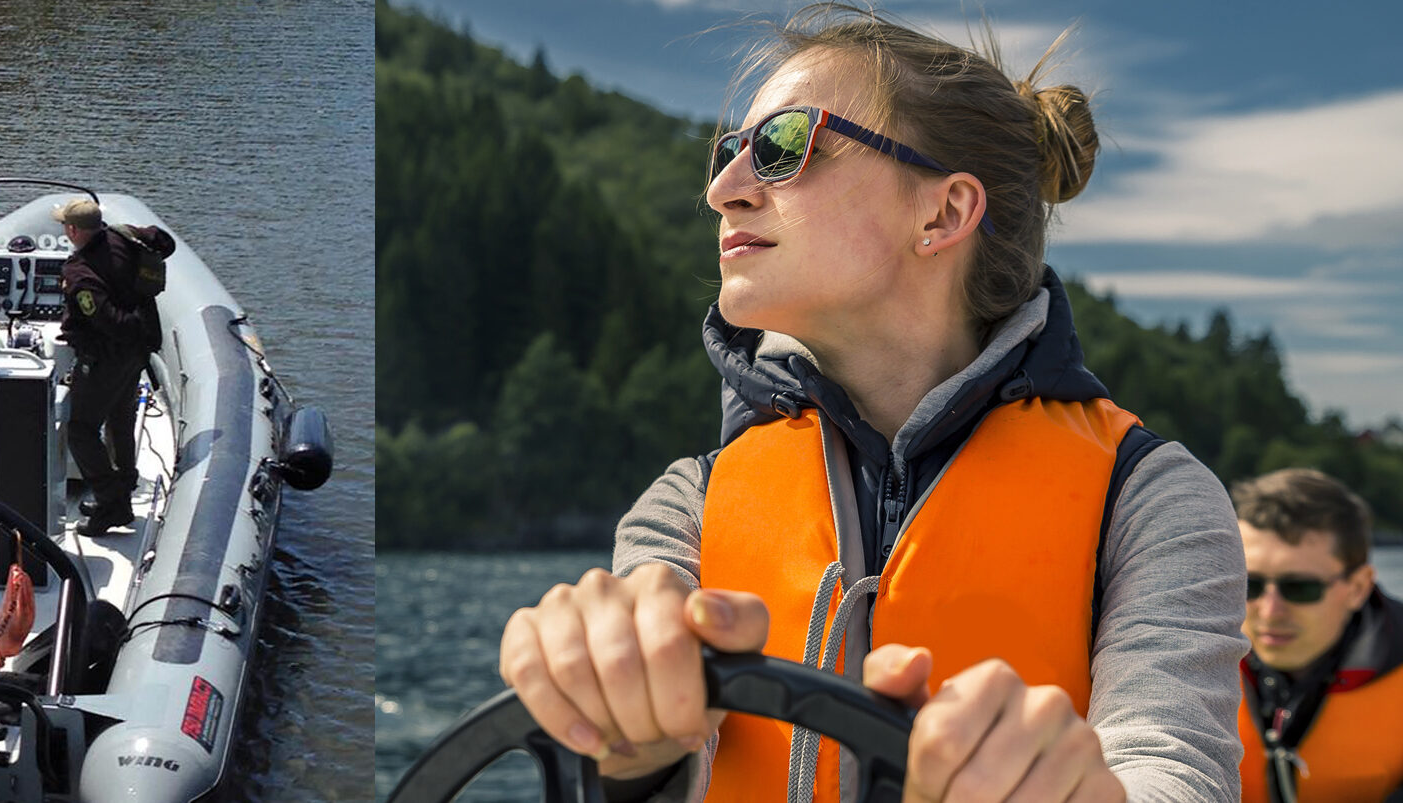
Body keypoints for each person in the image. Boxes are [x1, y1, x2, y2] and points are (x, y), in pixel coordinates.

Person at [495, 6, 1249, 801]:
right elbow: (644, 776)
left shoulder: (1154, 498)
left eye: (782, 147)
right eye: (727, 153)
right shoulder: (686, 502)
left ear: (944, 211)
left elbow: (1173, 770)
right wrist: (626, 734)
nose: (724, 190)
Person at [1232, 469, 1403, 802]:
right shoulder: (1182, 664)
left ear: (1358, 588)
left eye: (1300, 588)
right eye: (1248, 584)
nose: (1269, 611)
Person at [55, 199, 172, 535]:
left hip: (106, 358)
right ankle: (121, 490)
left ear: (73, 230)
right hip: (137, 351)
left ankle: (111, 502)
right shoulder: (125, 237)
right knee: (120, 421)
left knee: (80, 428)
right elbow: (165, 242)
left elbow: (107, 320)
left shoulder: (80, 272)